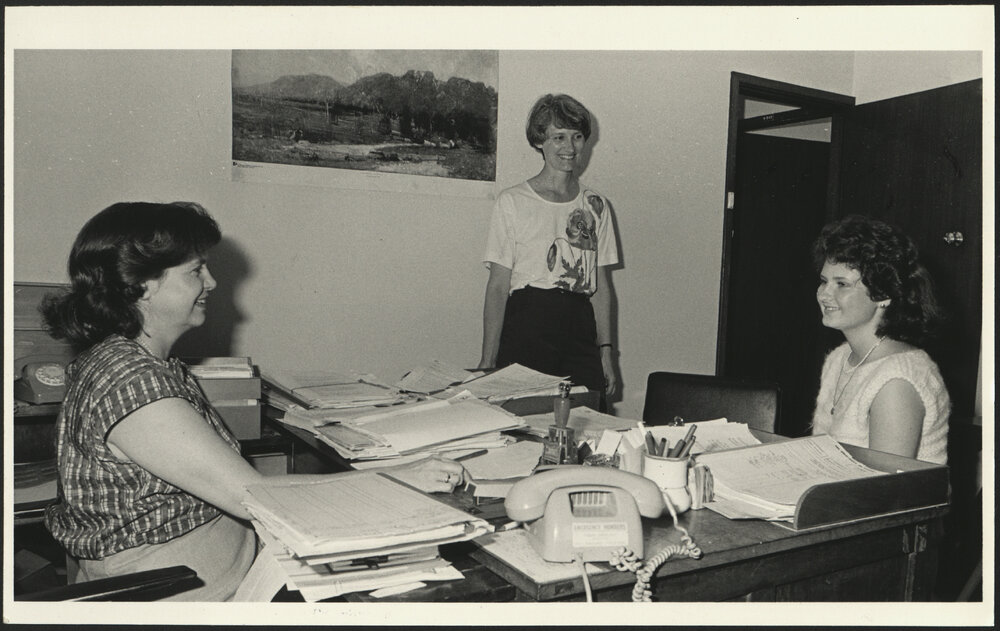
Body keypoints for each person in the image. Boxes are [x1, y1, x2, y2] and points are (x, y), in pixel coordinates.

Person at [41, 201, 466, 601]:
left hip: (220, 564)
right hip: (184, 591)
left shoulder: (136, 360)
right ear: (142, 286)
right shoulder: (130, 383)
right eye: (195, 271)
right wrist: (399, 477)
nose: (211, 282)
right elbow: (256, 494)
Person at [478, 93, 619, 404]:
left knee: (585, 428)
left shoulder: (596, 205)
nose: (569, 148)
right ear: (540, 140)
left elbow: (602, 288)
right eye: (558, 137)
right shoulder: (512, 202)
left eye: (577, 137)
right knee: (524, 429)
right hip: (528, 327)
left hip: (580, 332)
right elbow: (498, 287)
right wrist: (488, 362)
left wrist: (606, 353)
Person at [811, 214, 949, 464]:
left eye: (842, 284)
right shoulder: (840, 358)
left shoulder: (897, 379)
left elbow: (885, 493)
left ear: (883, 295)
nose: (824, 294)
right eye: (823, 281)